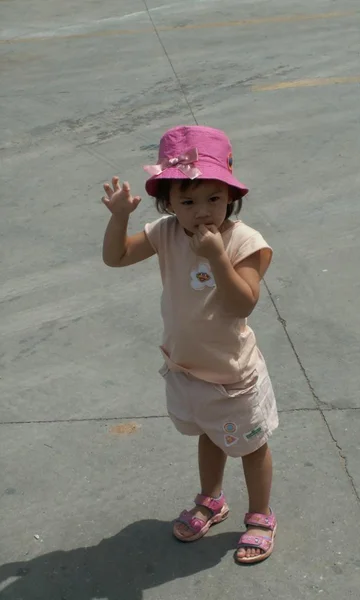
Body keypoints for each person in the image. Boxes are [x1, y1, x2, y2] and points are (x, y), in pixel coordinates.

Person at [101, 125, 278, 564]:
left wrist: (218, 257)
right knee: (208, 436)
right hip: (186, 368)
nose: (202, 212)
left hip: (233, 373)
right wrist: (119, 216)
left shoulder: (244, 242)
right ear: (168, 204)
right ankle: (211, 499)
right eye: (187, 201)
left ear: (231, 197)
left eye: (213, 199)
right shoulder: (165, 233)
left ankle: (260, 515)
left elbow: (244, 303)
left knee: (251, 448)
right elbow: (116, 256)